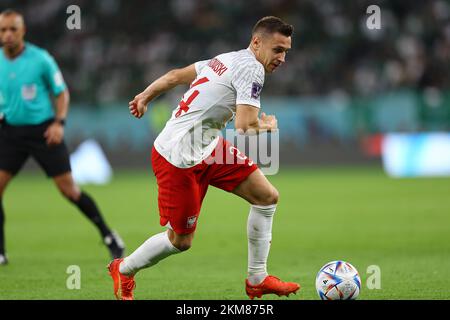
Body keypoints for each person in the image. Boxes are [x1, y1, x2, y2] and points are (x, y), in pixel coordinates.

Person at [108, 16, 300, 300]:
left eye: (286, 51)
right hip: (177, 157)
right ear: (257, 42)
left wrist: (145, 96)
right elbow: (246, 126)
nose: (282, 58)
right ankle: (123, 269)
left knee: (266, 196)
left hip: (208, 147)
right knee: (181, 241)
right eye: (277, 50)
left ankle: (257, 279)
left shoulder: (226, 58)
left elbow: (175, 76)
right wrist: (268, 126)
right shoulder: (251, 69)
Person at [0, 9, 125, 265]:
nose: (8, 35)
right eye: (3, 30)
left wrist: (59, 122)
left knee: (69, 191)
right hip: (11, 132)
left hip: (44, 132)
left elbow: (61, 93)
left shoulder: (40, 59)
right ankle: (1, 253)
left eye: (13, 29)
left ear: (23, 31)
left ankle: (110, 236)